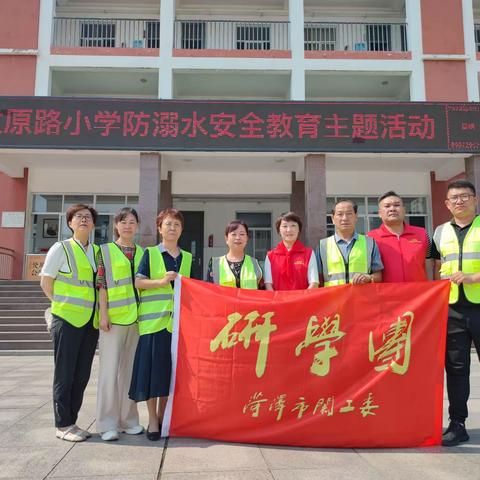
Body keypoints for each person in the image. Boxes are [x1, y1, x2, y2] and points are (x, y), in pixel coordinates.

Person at [129, 208, 192, 441]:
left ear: (181, 230)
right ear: (159, 228)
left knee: (168, 373)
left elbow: (193, 289)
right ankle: (152, 420)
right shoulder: (151, 253)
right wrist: (161, 281)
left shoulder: (186, 257)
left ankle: (165, 416)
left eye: (176, 224)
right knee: (151, 372)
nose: (172, 228)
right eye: (168, 224)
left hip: (177, 326)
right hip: (153, 323)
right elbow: (138, 282)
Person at [40, 204, 99, 442]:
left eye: (88, 217)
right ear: (70, 223)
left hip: (89, 322)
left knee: (82, 374)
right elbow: (46, 282)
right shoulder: (60, 248)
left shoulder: (96, 252)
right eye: (78, 217)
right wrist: (58, 307)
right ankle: (62, 424)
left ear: (94, 224)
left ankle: (72, 422)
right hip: (66, 320)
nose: (83, 220)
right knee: (64, 374)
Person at [432, 179, 480, 446]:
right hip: (452, 310)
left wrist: (474, 277)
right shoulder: (439, 232)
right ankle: (457, 424)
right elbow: (436, 265)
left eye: (465, 196)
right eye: (454, 198)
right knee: (457, 369)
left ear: (475, 199)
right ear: (447, 204)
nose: (460, 201)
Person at [95, 207, 144, 441]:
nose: (127, 226)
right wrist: (103, 314)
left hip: (137, 320)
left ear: (137, 227)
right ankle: (107, 424)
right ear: (116, 225)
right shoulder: (104, 251)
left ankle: (129, 420)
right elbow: (101, 285)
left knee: (130, 374)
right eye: (123, 222)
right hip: (112, 321)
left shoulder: (144, 252)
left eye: (132, 222)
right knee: (108, 373)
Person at [368, 191, 431, 282]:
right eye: (387, 206)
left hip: (419, 293)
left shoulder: (422, 234)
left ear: (404, 210)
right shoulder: (370, 238)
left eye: (397, 205)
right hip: (387, 294)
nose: (392, 209)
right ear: (380, 213)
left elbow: (429, 265)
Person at [317, 199, 383, 286]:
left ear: (356, 217)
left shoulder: (370, 243)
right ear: (333, 219)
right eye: (340, 214)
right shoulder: (322, 246)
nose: (344, 218)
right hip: (334, 298)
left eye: (349, 214)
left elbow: (379, 276)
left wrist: (368, 278)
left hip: (361, 298)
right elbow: (318, 279)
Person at [264, 212, 318, 291]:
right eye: (285, 226)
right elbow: (268, 285)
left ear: (299, 229)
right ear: (279, 230)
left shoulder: (309, 253)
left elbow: (314, 283)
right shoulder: (270, 256)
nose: (289, 230)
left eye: (293, 225)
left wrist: (299, 301)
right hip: (278, 302)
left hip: (302, 302)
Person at [206, 220, 262, 289]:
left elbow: (262, 292)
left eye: (242, 234)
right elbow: (209, 290)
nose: (238, 238)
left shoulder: (255, 263)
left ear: (247, 238)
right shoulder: (215, 264)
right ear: (226, 239)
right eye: (234, 234)